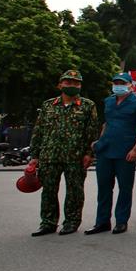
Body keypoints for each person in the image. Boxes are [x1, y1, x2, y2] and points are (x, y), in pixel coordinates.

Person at [27, 69, 99, 236]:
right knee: (49, 191)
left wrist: (89, 154)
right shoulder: (48, 105)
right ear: (60, 85)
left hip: (75, 156)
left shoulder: (88, 106)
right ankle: (48, 222)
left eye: (76, 83)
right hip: (49, 155)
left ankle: (72, 222)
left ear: (80, 86)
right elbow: (38, 131)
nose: (72, 85)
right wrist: (34, 156)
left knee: (75, 191)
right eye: (68, 82)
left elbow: (92, 133)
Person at [85, 72, 136, 235]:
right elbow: (107, 123)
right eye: (116, 82)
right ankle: (102, 221)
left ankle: (121, 221)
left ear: (130, 85)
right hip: (105, 149)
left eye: (122, 83)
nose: (118, 85)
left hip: (125, 151)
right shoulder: (109, 101)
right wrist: (99, 141)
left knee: (125, 188)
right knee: (104, 187)